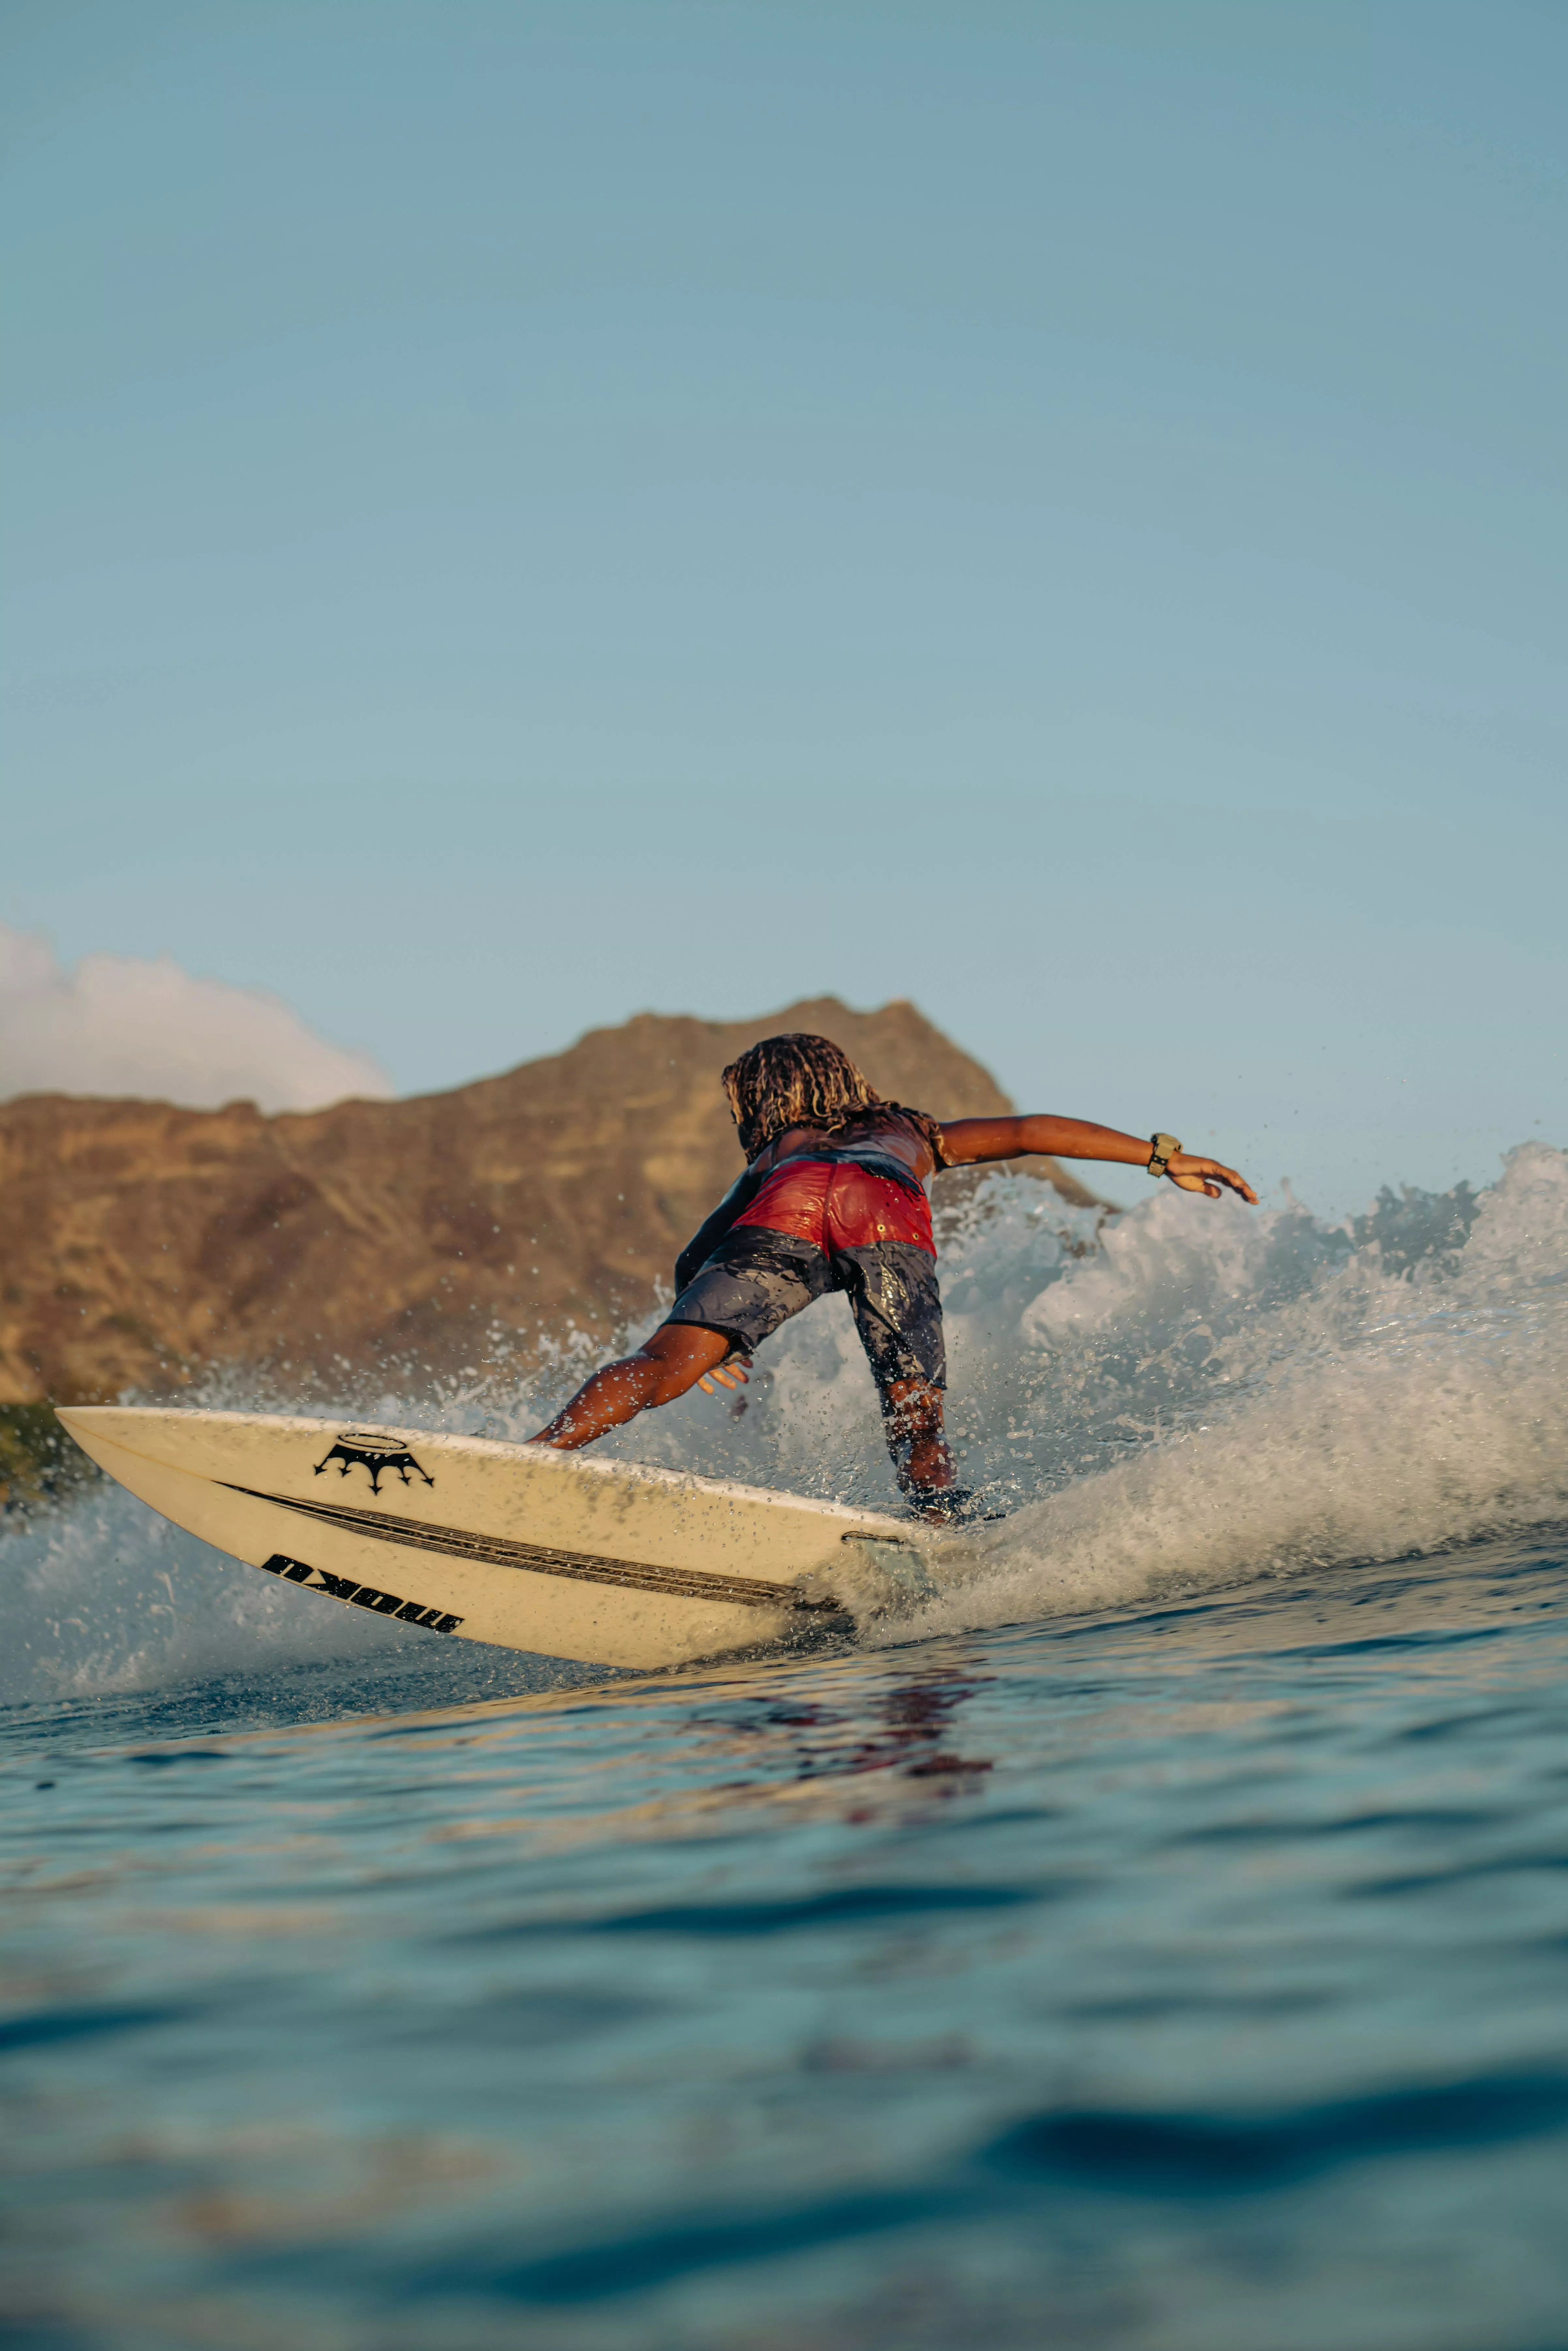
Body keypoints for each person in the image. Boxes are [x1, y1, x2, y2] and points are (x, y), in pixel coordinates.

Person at [528, 1032, 1257, 1519]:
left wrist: (715, 1332)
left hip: (791, 1197)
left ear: (760, 1105)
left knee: (660, 1366)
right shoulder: (911, 1130)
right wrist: (1163, 1157)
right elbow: (1031, 1128)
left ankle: (542, 1453)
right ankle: (937, 1519)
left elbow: (700, 1249)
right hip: (884, 1206)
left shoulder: (780, 1148)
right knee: (914, 1406)